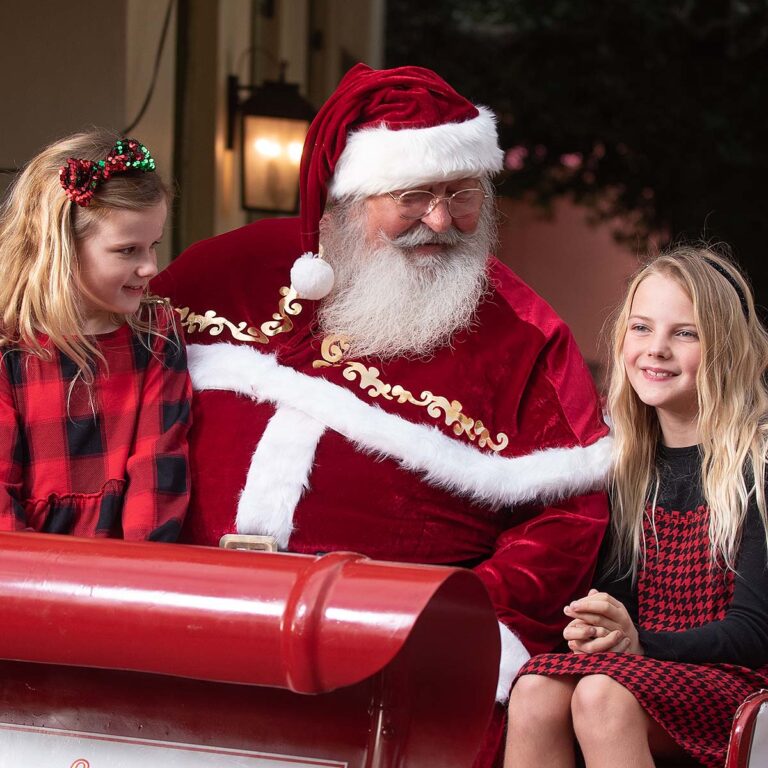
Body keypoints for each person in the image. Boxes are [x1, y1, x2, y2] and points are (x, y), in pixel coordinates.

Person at [152, 64, 611, 764]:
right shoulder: (220, 275)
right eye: (414, 198)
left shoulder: (525, 338)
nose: (439, 222)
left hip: (389, 677)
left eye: (461, 196)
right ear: (346, 201)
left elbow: (570, 515)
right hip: (179, 643)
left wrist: (448, 620)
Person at [504, 246, 768, 768]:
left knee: (601, 695)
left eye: (684, 333)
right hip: (645, 671)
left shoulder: (757, 463)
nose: (657, 349)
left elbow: (754, 632)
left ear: (725, 348)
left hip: (738, 683)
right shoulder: (623, 465)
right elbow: (619, 598)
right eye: (642, 328)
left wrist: (637, 644)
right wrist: (596, 624)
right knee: (535, 688)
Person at [0, 129, 192, 541]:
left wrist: (136, 579)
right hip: (21, 569)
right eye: (128, 250)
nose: (150, 267)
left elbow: (157, 469)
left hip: (120, 572)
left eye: (153, 245)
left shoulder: (156, 335)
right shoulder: (8, 345)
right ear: (62, 247)